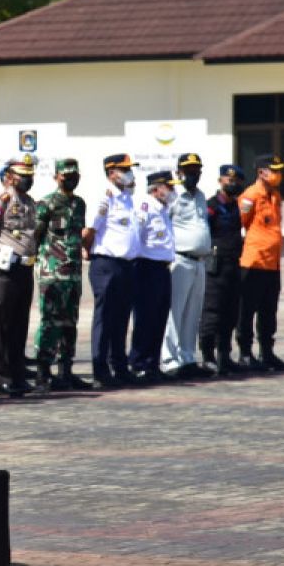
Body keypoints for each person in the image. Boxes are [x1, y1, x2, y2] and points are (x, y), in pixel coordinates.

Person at [84, 153, 143, 389]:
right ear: (112, 173)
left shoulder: (127, 198)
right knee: (105, 318)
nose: (130, 173)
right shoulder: (104, 196)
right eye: (125, 170)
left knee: (121, 319)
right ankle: (100, 369)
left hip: (127, 265)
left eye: (130, 169)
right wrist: (89, 253)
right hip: (106, 264)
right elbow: (89, 232)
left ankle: (119, 366)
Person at [32, 158, 90, 394]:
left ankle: (65, 371)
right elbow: (35, 237)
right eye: (65, 176)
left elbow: (77, 236)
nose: (70, 180)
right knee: (49, 323)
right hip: (52, 274)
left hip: (73, 274)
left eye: (74, 176)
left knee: (70, 323)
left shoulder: (80, 204)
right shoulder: (46, 203)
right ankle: (42, 374)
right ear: (56, 176)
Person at [0, 154, 38, 397]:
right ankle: (0, 378)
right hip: (3, 267)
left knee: (19, 324)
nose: (27, 180)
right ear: (9, 177)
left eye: (30, 176)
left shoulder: (30, 202)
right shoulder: (0, 200)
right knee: (0, 325)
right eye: (22, 176)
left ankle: (17, 374)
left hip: (24, 267)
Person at [237, 154, 284, 371]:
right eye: (274, 170)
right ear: (261, 172)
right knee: (247, 310)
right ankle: (244, 353)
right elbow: (238, 224)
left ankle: (267, 353)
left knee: (269, 311)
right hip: (253, 263)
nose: (278, 174)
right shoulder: (250, 196)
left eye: (280, 170)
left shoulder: (275, 195)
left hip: (272, 264)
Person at [161, 153, 212, 379]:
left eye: (196, 170)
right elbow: (162, 225)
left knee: (193, 313)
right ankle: (170, 361)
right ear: (178, 172)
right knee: (175, 312)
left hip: (200, 261)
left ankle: (188, 357)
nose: (193, 174)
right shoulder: (172, 196)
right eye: (188, 170)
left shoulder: (201, 196)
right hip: (179, 260)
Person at [128, 171, 178, 383]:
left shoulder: (163, 209)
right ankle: (138, 363)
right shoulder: (145, 208)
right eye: (169, 187)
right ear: (157, 189)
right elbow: (135, 238)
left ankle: (152, 363)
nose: (173, 191)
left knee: (159, 318)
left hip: (162, 268)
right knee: (146, 318)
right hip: (146, 268)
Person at [198, 164, 246, 375]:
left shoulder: (237, 205)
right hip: (215, 266)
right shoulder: (210, 205)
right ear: (220, 181)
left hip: (234, 264)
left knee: (230, 312)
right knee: (212, 312)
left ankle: (224, 356)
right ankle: (208, 356)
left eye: (236, 181)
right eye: (229, 180)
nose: (232, 184)